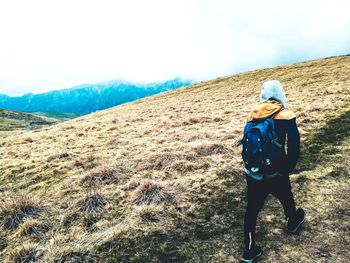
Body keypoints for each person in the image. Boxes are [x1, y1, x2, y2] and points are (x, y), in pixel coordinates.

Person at [241, 80, 305, 263]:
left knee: (252, 209)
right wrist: (287, 167)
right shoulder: (286, 115)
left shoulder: (253, 114)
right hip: (276, 171)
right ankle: (292, 221)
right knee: (286, 194)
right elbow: (294, 145)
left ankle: (249, 249)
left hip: (253, 171)